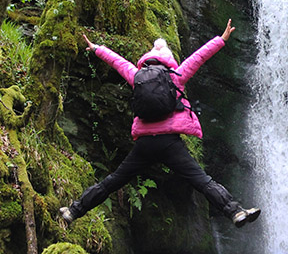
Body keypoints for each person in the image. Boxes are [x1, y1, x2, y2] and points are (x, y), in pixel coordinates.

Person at [59, 19, 261, 227]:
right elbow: (199, 56)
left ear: (147, 60)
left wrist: (96, 48)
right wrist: (222, 39)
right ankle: (235, 211)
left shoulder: (136, 75)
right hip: (169, 143)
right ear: (168, 60)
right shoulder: (176, 76)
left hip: (145, 144)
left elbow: (117, 62)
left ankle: (74, 210)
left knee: (113, 181)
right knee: (201, 180)